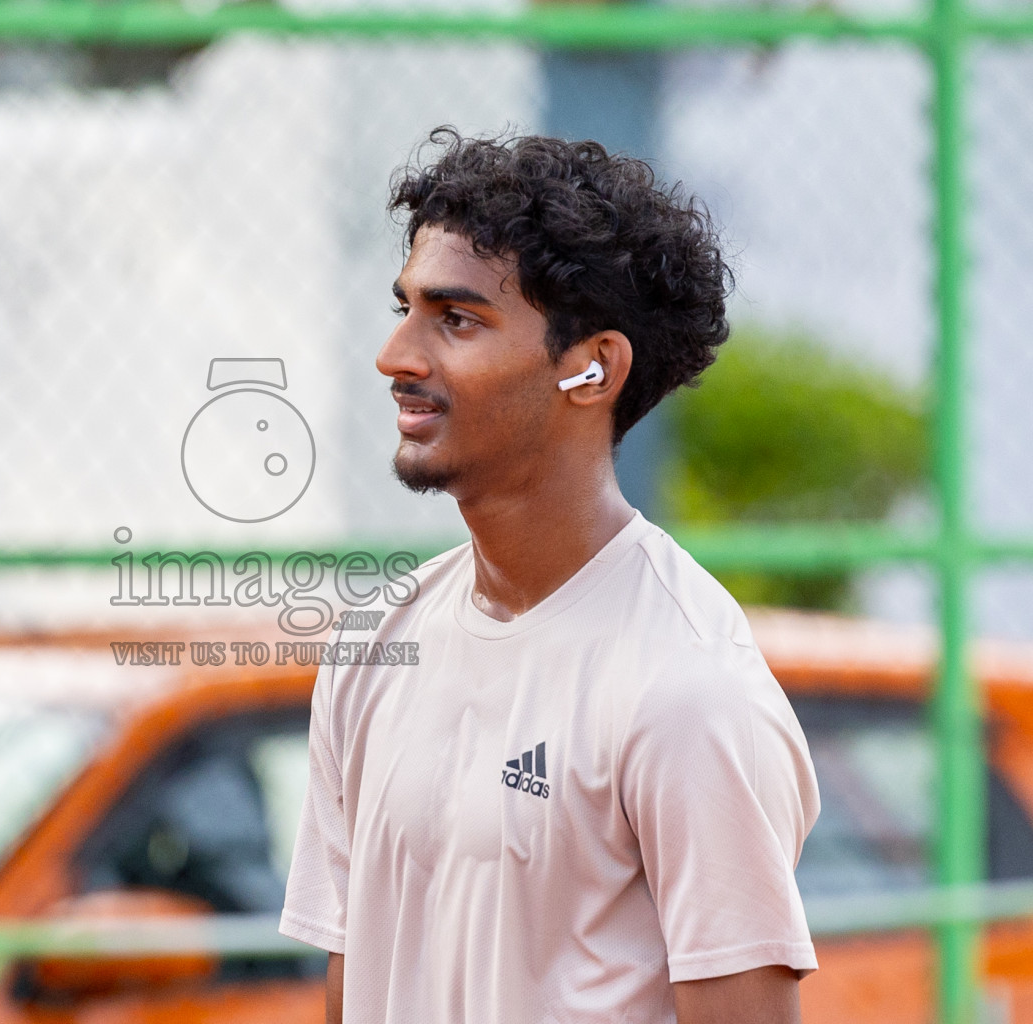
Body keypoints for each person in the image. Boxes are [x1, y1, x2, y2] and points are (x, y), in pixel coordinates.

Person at [279, 129, 820, 1024]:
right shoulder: (376, 644)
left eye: (455, 319)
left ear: (592, 366)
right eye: (405, 307)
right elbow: (358, 978)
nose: (396, 356)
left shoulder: (688, 688)